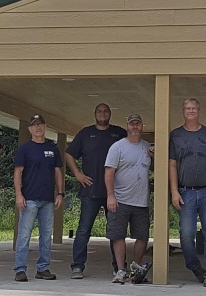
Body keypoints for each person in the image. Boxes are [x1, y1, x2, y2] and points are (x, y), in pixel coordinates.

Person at [169, 98, 206, 287]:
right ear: (183, 111)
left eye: (194, 108)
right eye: (187, 108)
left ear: (199, 111)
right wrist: (174, 191)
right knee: (186, 234)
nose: (191, 111)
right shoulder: (176, 135)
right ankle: (194, 266)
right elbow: (172, 164)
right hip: (186, 192)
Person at [65, 104, 127, 279]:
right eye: (99, 111)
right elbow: (69, 154)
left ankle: (119, 267)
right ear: (94, 114)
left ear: (110, 114)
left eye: (106, 111)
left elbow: (131, 148)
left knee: (116, 231)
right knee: (84, 230)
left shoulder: (119, 133)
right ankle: (77, 266)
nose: (102, 114)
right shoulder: (85, 134)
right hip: (90, 190)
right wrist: (78, 174)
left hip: (113, 192)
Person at [13, 114, 65, 282]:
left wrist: (60, 193)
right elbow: (18, 172)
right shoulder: (25, 149)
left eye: (41, 124)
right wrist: (19, 194)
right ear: (30, 129)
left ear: (45, 127)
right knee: (24, 234)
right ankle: (20, 269)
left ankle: (43, 268)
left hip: (48, 199)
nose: (38, 127)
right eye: (34, 125)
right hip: (29, 199)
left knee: (46, 235)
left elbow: (58, 172)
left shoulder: (52, 149)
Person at [104, 114, 152, 283]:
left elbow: (161, 168)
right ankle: (121, 270)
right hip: (120, 199)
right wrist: (110, 195)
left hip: (141, 201)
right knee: (118, 235)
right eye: (132, 124)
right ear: (127, 126)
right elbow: (109, 172)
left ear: (142, 126)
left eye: (138, 124)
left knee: (143, 236)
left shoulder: (148, 148)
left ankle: (136, 269)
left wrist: (155, 155)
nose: (135, 127)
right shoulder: (117, 147)